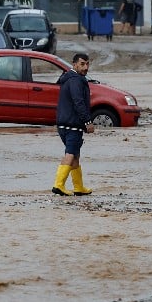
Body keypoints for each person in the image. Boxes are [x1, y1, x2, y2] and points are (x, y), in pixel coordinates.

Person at [52, 53, 96, 196]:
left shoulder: (68, 78)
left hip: (64, 123)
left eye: (87, 64)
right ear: (74, 64)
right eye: (82, 64)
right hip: (72, 124)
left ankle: (78, 187)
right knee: (70, 154)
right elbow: (79, 102)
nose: (85, 67)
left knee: (75, 155)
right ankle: (58, 185)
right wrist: (87, 121)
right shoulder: (75, 80)